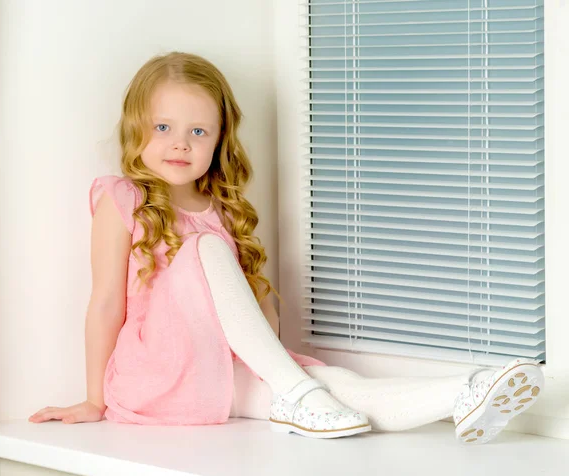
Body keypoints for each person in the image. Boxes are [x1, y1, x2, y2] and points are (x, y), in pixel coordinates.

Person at [29, 52, 544, 444]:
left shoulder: (222, 209)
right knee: (209, 258)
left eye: (197, 131)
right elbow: (103, 304)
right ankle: (298, 393)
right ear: (136, 129)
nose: (180, 143)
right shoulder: (123, 198)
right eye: (163, 128)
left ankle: (464, 392)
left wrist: (276, 346)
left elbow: (244, 312)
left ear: (218, 141)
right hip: (154, 378)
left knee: (334, 386)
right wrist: (95, 399)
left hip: (215, 374)